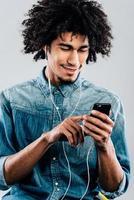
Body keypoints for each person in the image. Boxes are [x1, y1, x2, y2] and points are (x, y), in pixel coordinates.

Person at [0, 0, 130, 199]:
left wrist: (104, 145)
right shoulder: (12, 99)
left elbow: (113, 188)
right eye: (66, 47)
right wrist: (47, 139)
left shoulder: (108, 101)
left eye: (82, 50)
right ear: (46, 46)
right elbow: (3, 177)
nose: (74, 61)